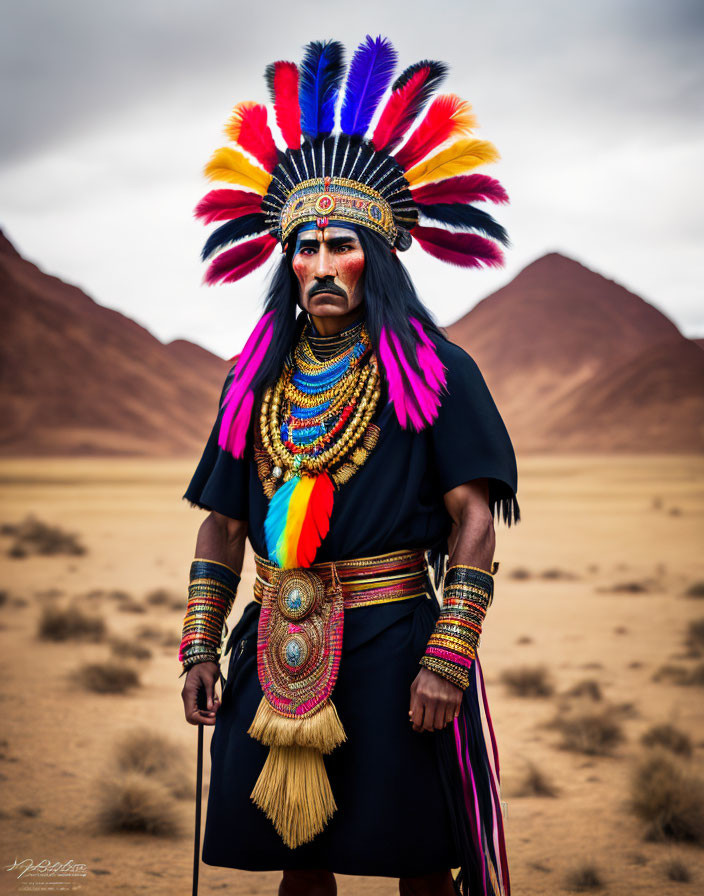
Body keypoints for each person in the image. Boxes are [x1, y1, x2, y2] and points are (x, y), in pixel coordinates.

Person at [178, 35, 519, 896]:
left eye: (342, 246)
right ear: (285, 261)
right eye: (304, 248)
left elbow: (473, 515)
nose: (321, 266)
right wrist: (199, 646)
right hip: (275, 643)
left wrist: (450, 654)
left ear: (380, 256)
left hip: (395, 644)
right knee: (299, 863)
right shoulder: (249, 381)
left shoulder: (437, 371)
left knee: (418, 862)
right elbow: (221, 523)